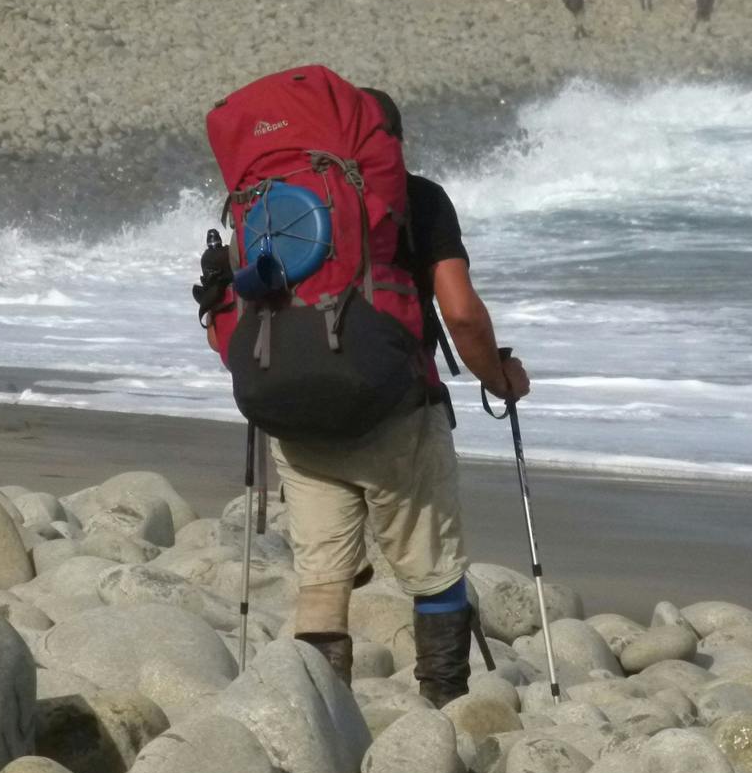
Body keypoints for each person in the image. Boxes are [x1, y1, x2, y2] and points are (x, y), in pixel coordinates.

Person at [205, 88, 530, 706]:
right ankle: (445, 709)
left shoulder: (269, 205)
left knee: (322, 580)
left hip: (296, 417)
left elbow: (234, 317)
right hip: (396, 414)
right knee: (434, 570)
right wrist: (500, 378)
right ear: (390, 143)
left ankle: (324, 723)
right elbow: (461, 315)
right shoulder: (419, 198)